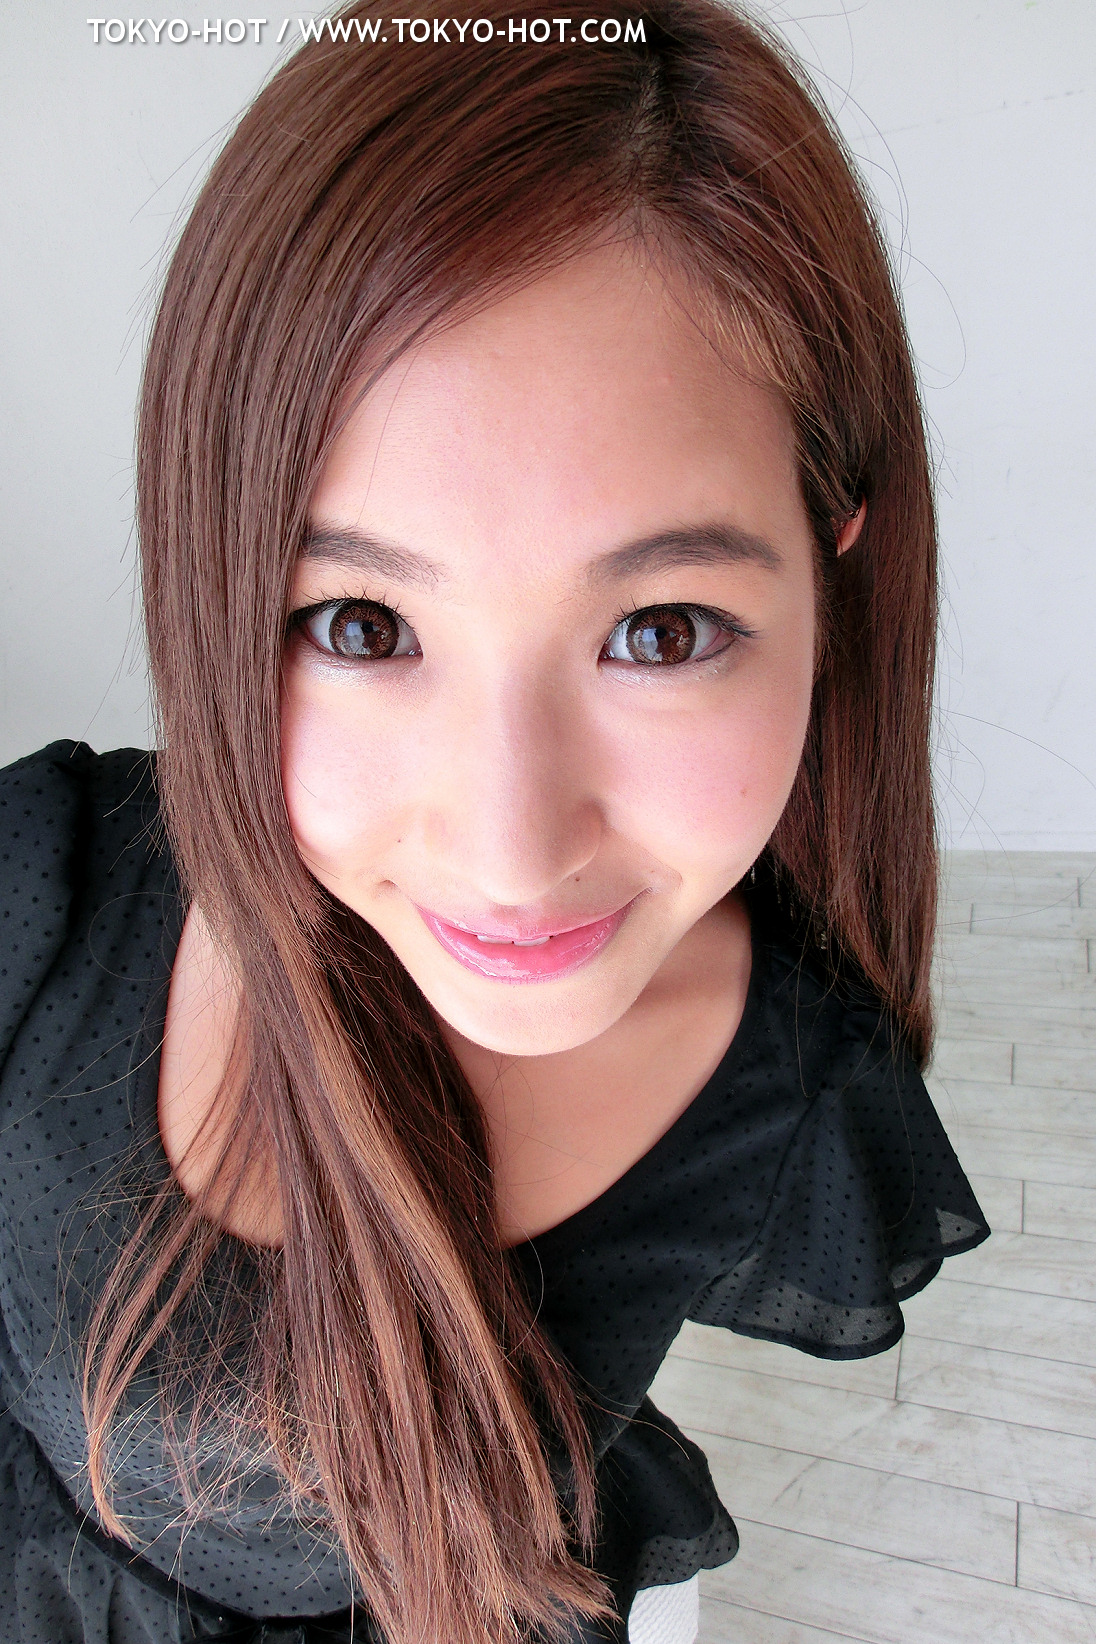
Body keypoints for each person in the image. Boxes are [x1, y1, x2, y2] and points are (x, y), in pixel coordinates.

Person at [0, 2, 991, 1640]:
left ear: (833, 575)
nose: (512, 855)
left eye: (660, 631)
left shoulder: (797, 1078)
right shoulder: (51, 888)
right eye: (362, 625)